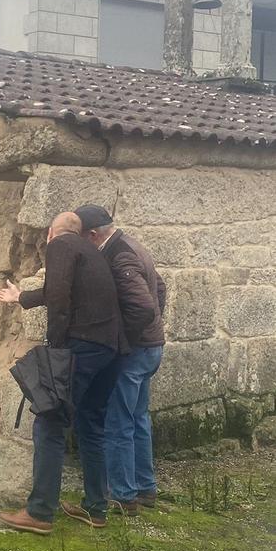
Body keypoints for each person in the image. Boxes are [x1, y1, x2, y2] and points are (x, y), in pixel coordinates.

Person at [0, 211, 124, 534]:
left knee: (50, 421)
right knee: (91, 423)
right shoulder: (90, 251)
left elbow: (60, 298)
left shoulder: (60, 246)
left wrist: (56, 348)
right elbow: (56, 291)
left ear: (52, 232)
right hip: (111, 349)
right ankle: (96, 508)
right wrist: (21, 297)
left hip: (83, 345)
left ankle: (40, 512)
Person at [75, 205, 166, 513]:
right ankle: (145, 488)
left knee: (118, 422)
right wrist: (152, 331)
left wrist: (124, 341)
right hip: (150, 347)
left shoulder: (119, 255)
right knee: (138, 418)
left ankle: (124, 496)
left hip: (136, 351)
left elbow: (142, 306)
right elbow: (160, 289)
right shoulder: (133, 245)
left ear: (92, 235)